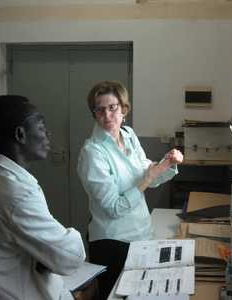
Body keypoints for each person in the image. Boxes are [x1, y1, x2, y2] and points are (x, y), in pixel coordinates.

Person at [0, 95, 95, 300]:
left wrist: (40, 254)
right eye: (41, 127)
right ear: (21, 134)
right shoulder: (16, 192)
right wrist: (61, 244)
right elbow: (70, 257)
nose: (47, 134)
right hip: (12, 292)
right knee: (92, 288)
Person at [77, 81, 183, 298]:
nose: (107, 115)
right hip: (112, 244)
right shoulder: (92, 152)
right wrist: (148, 177)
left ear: (123, 109)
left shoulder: (128, 134)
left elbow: (147, 175)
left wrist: (168, 163)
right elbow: (115, 208)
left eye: (112, 107)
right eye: (100, 109)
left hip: (141, 234)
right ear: (94, 113)